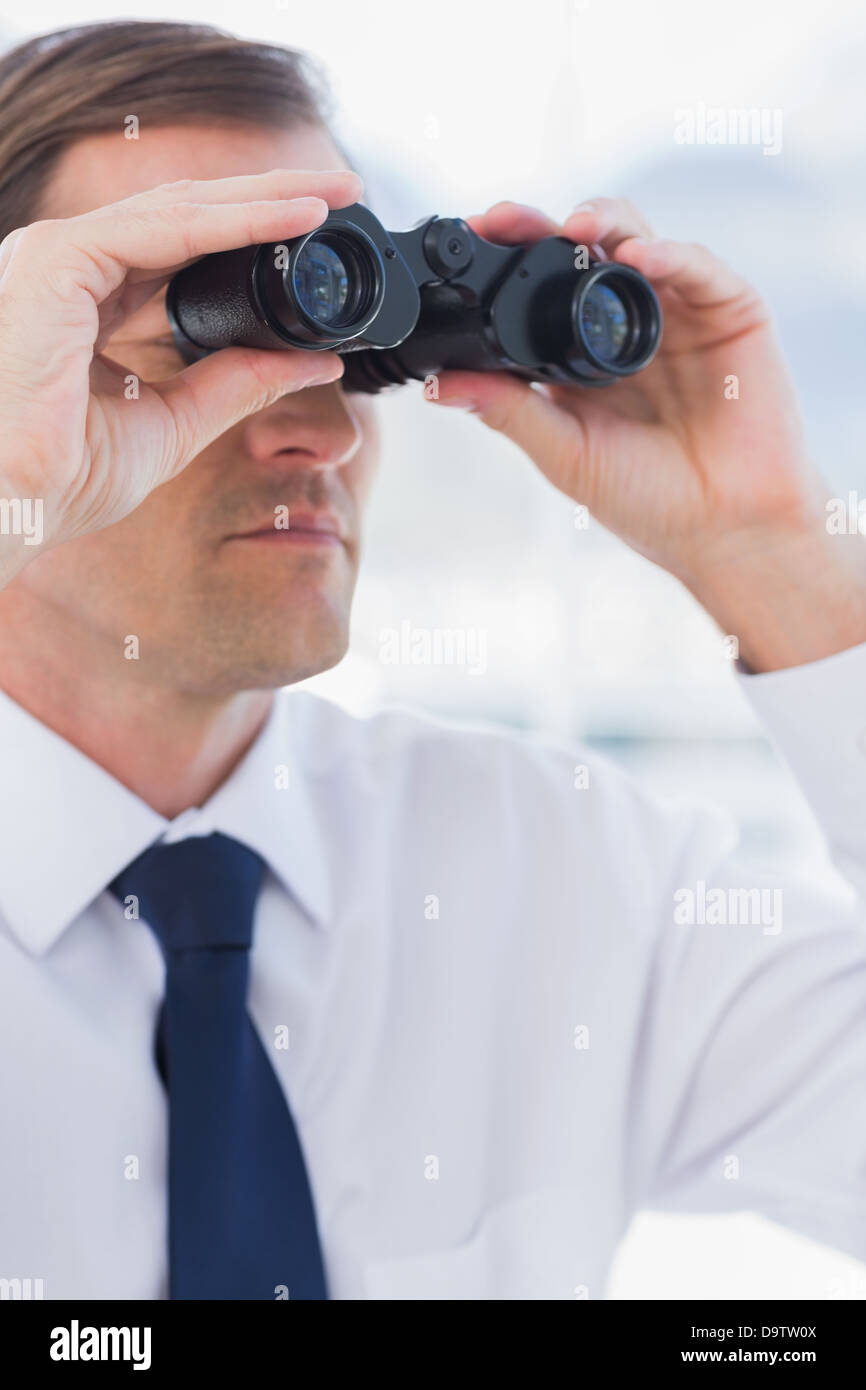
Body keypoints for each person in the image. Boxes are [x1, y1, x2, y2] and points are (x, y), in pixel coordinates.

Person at [0, 20, 864, 1302]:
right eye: (203, 339)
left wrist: (775, 557)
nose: (315, 435)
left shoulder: (563, 872)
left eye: (353, 358)